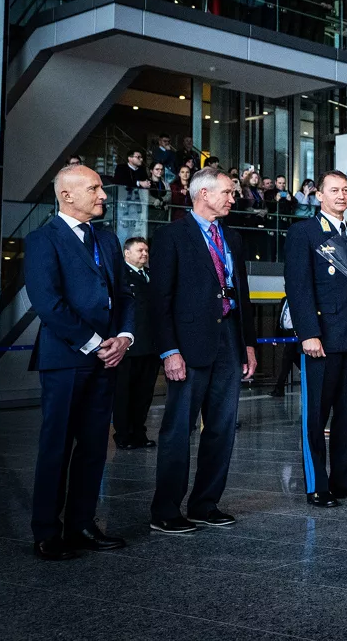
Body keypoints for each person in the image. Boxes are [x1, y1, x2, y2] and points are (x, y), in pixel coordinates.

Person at [25, 166, 135, 560]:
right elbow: (48, 303)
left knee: (93, 446)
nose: (103, 194)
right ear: (67, 195)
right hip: (66, 359)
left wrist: (124, 337)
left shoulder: (106, 239)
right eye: (94, 188)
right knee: (56, 446)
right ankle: (46, 532)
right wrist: (94, 343)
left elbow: (125, 295)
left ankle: (82, 525)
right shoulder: (43, 239)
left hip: (107, 359)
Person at [149, 167, 258, 533]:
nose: (232, 198)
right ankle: (166, 510)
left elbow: (243, 296)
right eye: (227, 192)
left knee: (222, 428)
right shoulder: (171, 236)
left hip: (228, 338)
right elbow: (160, 300)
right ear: (203, 194)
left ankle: (205, 504)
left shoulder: (233, 238)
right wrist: (169, 351)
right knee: (178, 429)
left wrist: (248, 345)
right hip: (188, 344)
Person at [284, 170, 347, 507]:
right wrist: (308, 334)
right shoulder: (304, 232)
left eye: (345, 190)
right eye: (334, 190)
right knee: (316, 415)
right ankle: (317, 485)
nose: (341, 195)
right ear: (320, 195)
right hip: (323, 338)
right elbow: (298, 287)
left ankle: (345, 481)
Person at [113, 237, 159, 449]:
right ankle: (123, 436)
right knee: (124, 394)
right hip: (128, 347)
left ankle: (139, 434)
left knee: (144, 395)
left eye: (146, 251)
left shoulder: (151, 276)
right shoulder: (119, 275)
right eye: (140, 250)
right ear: (127, 253)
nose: (145, 254)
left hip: (150, 346)